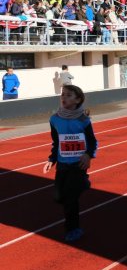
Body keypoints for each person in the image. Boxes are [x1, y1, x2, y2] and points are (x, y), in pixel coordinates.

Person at [42, 85, 98, 242]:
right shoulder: (54, 119)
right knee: (58, 197)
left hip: (78, 164)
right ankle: (84, 183)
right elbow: (56, 142)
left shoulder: (83, 120)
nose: (64, 97)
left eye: (68, 95)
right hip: (62, 165)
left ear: (77, 100)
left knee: (70, 199)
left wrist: (88, 155)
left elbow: (92, 142)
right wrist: (51, 159)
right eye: (62, 95)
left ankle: (73, 229)